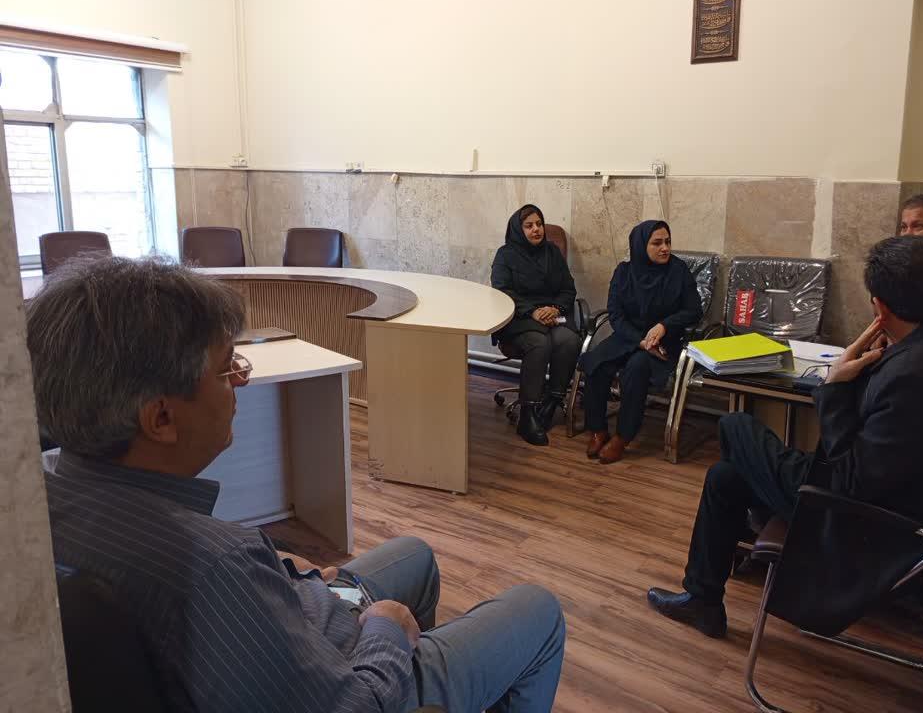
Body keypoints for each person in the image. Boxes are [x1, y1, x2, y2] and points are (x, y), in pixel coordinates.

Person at [31, 256, 565, 713]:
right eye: (227, 369)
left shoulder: (40, 491)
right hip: (352, 678)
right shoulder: (216, 567)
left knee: (416, 557)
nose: (241, 381)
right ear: (162, 418)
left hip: (293, 622)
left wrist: (287, 576)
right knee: (538, 610)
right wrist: (384, 630)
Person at [647, 236, 923, 638]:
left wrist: (836, 384)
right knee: (725, 478)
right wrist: (890, 351)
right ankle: (703, 601)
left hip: (850, 513)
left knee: (735, 426)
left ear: (881, 307)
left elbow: (851, 481)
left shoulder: (913, 376)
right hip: (898, 491)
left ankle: (763, 530)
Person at [579, 220, 701, 465]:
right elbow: (616, 314)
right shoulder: (624, 272)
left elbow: (694, 310)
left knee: (637, 368)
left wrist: (664, 325)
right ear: (640, 245)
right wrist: (640, 341)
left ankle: (622, 437)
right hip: (628, 337)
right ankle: (598, 429)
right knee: (597, 362)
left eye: (667, 242)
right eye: (657, 243)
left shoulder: (678, 271)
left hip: (664, 342)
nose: (665, 248)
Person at [491, 204, 580, 445]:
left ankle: (552, 400)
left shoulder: (552, 252)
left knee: (570, 340)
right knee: (539, 343)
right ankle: (527, 414)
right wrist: (533, 311)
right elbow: (502, 291)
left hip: (552, 315)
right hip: (519, 319)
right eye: (529, 226)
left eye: (539, 224)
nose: (536, 229)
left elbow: (568, 288)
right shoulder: (505, 255)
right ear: (518, 229)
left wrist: (555, 309)